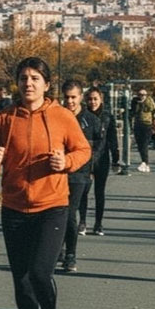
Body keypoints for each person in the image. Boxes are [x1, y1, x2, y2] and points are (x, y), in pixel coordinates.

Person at [0, 57, 90, 309]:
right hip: (14, 208)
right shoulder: (4, 119)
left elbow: (82, 150)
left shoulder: (61, 116)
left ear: (46, 84)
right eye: (23, 78)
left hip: (52, 206)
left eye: (34, 78)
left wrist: (65, 163)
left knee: (40, 273)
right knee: (22, 282)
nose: (28, 83)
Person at [60, 80, 100, 272]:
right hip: (58, 172)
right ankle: (57, 248)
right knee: (56, 214)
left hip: (80, 174)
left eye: (73, 97)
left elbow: (98, 145)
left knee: (69, 213)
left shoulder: (90, 120)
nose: (70, 102)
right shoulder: (57, 117)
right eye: (66, 98)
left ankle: (71, 254)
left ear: (80, 97)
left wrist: (93, 166)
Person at [80, 86, 119, 235]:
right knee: (83, 191)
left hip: (102, 157)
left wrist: (116, 159)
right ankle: (83, 222)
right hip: (85, 158)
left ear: (101, 99)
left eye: (95, 99)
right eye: (90, 99)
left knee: (99, 192)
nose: (92, 102)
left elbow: (112, 139)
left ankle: (98, 223)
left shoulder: (107, 116)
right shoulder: (83, 116)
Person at [130, 88, 155, 172]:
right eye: (140, 94)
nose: (141, 96)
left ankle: (145, 162)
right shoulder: (135, 102)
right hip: (137, 124)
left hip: (147, 124)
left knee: (144, 144)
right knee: (139, 144)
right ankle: (144, 162)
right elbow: (133, 111)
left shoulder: (149, 101)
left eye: (143, 95)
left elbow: (154, 112)